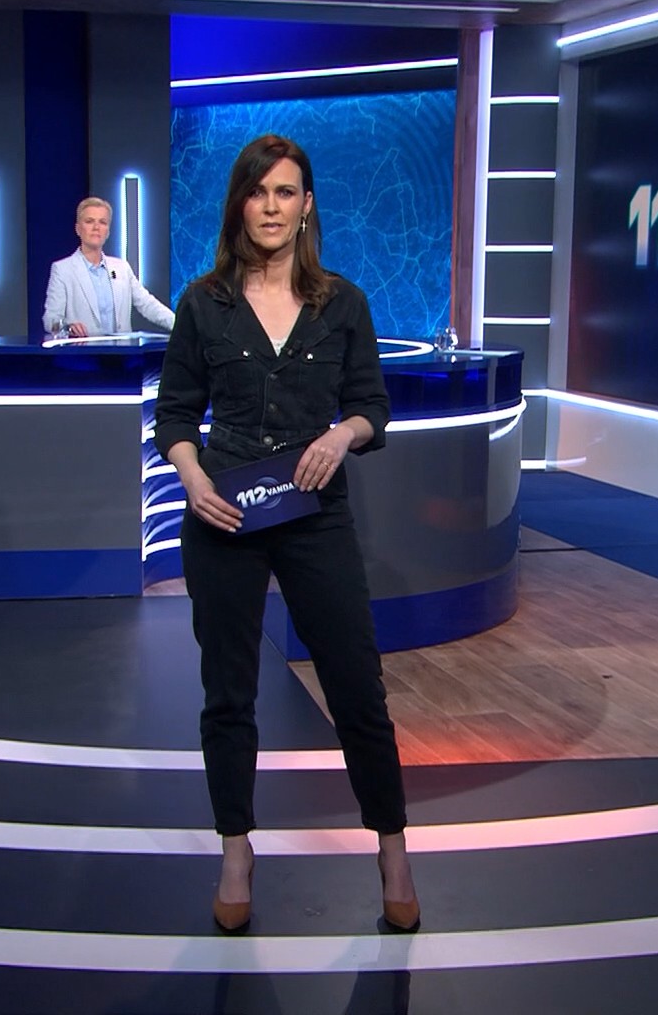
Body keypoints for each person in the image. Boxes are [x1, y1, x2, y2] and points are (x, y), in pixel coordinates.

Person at [153, 134, 419, 934]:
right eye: (258, 191)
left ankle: (393, 849)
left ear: (307, 206)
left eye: (286, 192)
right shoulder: (204, 302)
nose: (271, 206)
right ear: (240, 203)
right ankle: (236, 850)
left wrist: (343, 435)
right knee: (229, 692)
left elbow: (372, 405)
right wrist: (194, 480)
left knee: (356, 685)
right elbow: (175, 415)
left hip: (314, 514)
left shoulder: (344, 302)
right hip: (225, 514)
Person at [41, 197, 175, 337]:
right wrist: (68, 328)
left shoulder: (122, 268)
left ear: (108, 231)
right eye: (89, 221)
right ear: (78, 229)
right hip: (83, 349)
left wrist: (180, 325)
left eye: (102, 222)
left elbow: (147, 305)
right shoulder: (63, 270)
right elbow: (50, 319)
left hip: (122, 349)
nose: (96, 227)